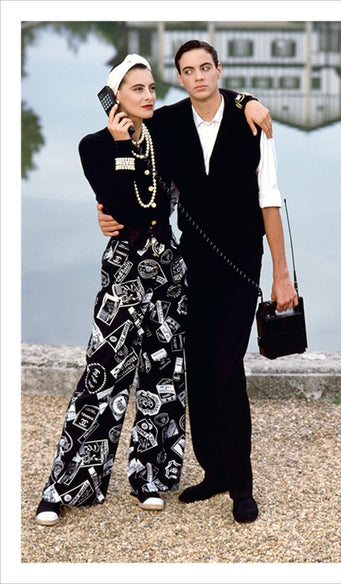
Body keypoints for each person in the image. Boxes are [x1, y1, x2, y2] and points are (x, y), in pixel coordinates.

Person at [98, 40, 298, 524]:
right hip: (189, 263)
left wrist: (281, 272)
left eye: (206, 68)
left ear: (218, 70)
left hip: (240, 262)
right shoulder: (165, 123)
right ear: (181, 78)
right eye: (188, 71)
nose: (199, 77)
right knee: (200, 370)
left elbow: (269, 200)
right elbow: (121, 128)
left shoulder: (252, 123)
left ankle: (242, 485)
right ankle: (215, 471)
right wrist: (104, 209)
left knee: (229, 369)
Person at [35, 55, 187, 526]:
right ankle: (68, 484)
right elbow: (122, 206)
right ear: (114, 97)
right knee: (102, 373)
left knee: (162, 374)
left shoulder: (165, 135)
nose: (147, 95)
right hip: (124, 267)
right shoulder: (94, 146)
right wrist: (121, 143)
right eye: (135, 88)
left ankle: (152, 477)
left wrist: (248, 101)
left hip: (167, 268)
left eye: (151, 87)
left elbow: (211, 101)